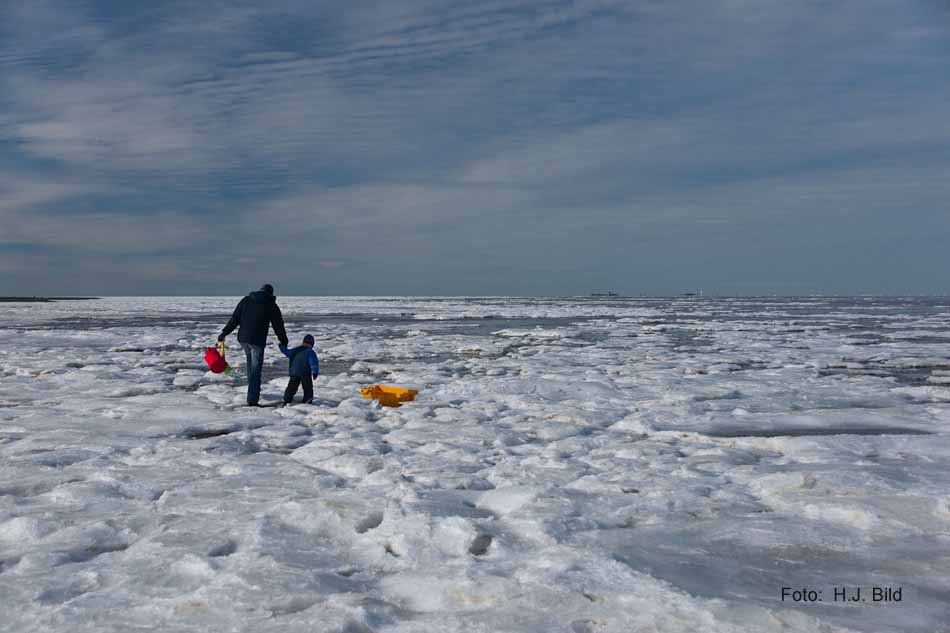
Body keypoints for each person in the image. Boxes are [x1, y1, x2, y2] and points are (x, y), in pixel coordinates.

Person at [218, 283, 289, 406]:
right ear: (270, 293)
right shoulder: (271, 304)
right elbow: (278, 326)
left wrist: (224, 333)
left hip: (243, 339)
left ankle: (252, 392)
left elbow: (235, 319)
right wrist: (283, 340)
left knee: (251, 367)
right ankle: (252, 400)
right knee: (255, 370)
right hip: (257, 341)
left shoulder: (246, 300)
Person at [279, 334, 320, 404]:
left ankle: (287, 399)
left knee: (291, 387)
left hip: (294, 372)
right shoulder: (310, 352)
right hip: (305, 373)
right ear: (312, 344)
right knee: (307, 387)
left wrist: (281, 346)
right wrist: (315, 372)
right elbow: (313, 363)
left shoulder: (296, 350)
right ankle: (308, 399)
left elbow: (286, 352)